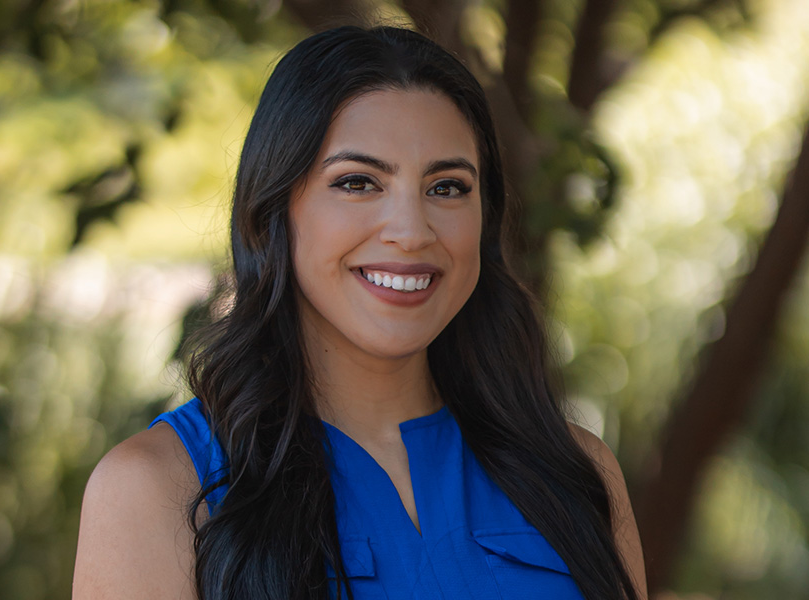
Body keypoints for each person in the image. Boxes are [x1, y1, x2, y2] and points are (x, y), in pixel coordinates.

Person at [72, 25, 647, 600]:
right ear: (274, 210)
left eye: (447, 188)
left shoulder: (576, 474)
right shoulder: (156, 490)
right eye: (358, 182)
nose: (411, 232)